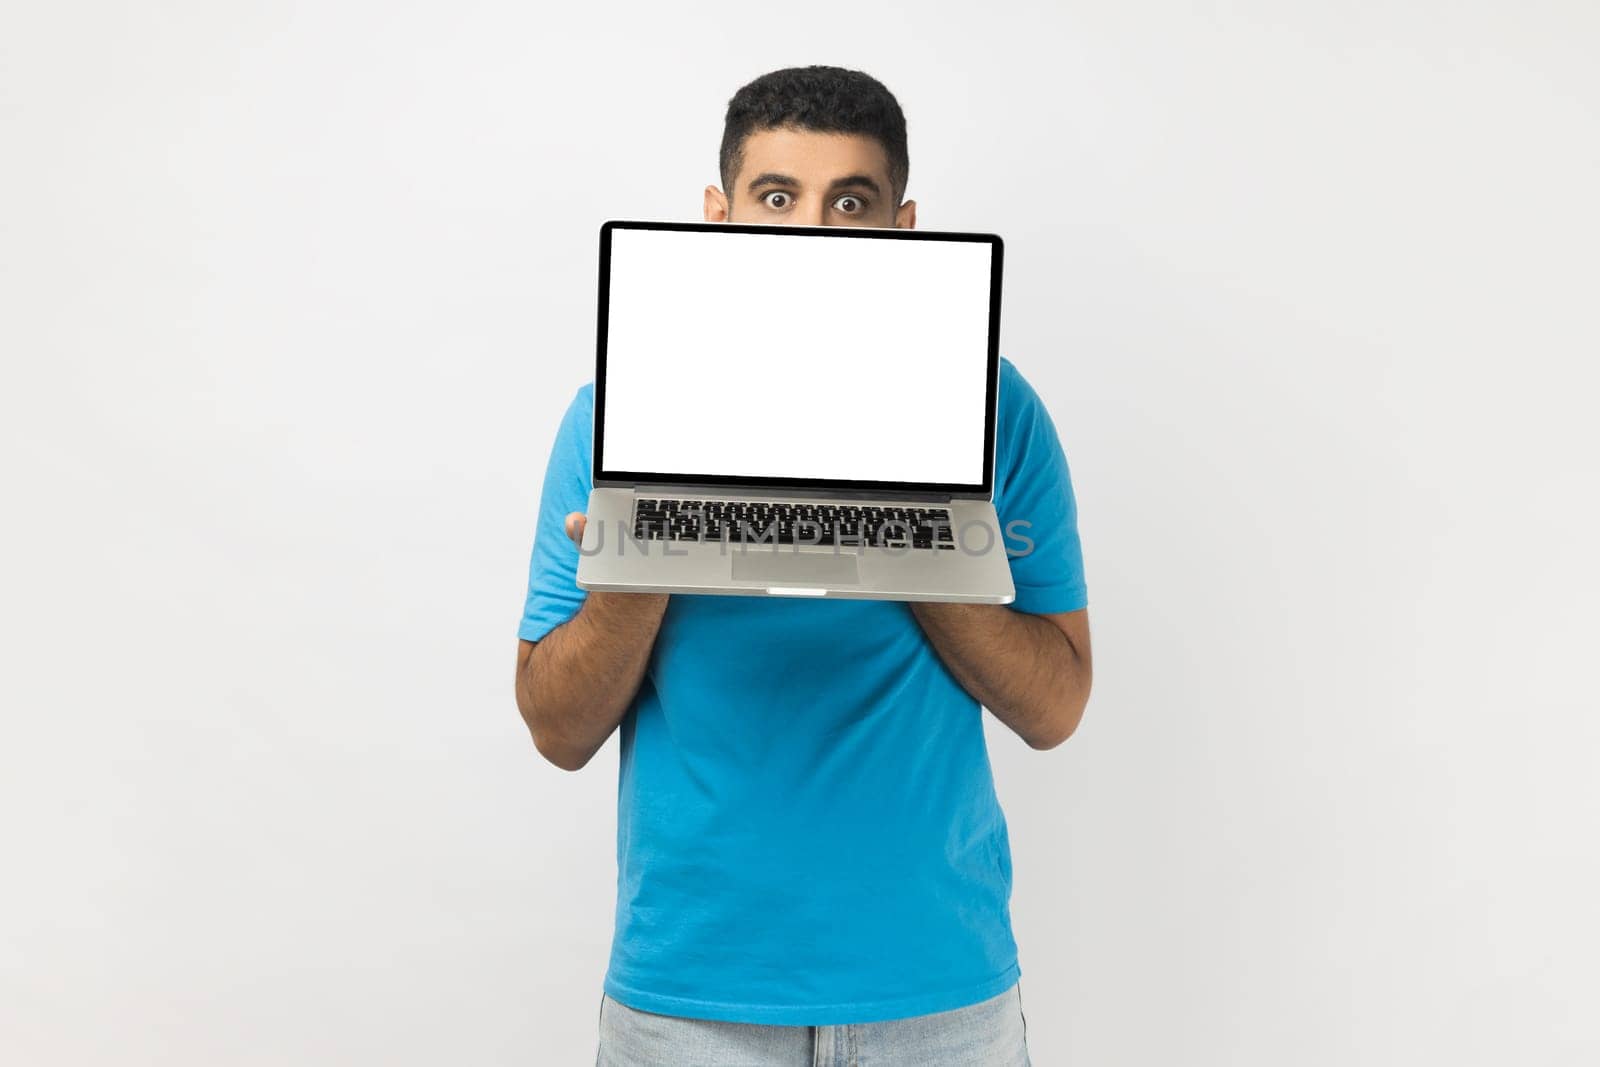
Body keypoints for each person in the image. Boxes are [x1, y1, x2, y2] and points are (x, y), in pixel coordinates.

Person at [514, 65, 1092, 1066]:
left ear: (902, 227)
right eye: (777, 197)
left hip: (937, 996)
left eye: (851, 204)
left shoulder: (999, 410)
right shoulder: (611, 414)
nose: (812, 232)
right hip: (690, 999)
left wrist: (906, 531)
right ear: (719, 215)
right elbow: (556, 729)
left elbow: (1055, 707)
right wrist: (645, 558)